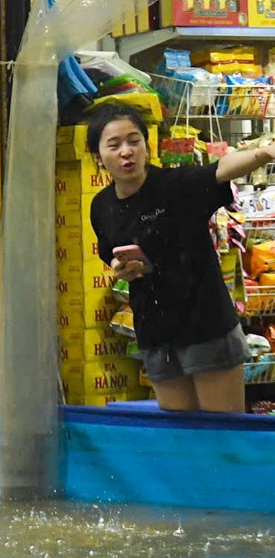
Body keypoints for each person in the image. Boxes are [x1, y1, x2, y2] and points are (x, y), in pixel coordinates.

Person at [88, 99, 275, 413]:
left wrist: (262, 153)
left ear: (146, 147)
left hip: (205, 324)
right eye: (114, 144)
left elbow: (219, 170)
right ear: (98, 156)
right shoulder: (101, 207)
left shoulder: (175, 186)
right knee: (181, 437)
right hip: (156, 333)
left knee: (222, 437)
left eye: (134, 141)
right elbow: (112, 257)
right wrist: (124, 268)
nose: (126, 151)